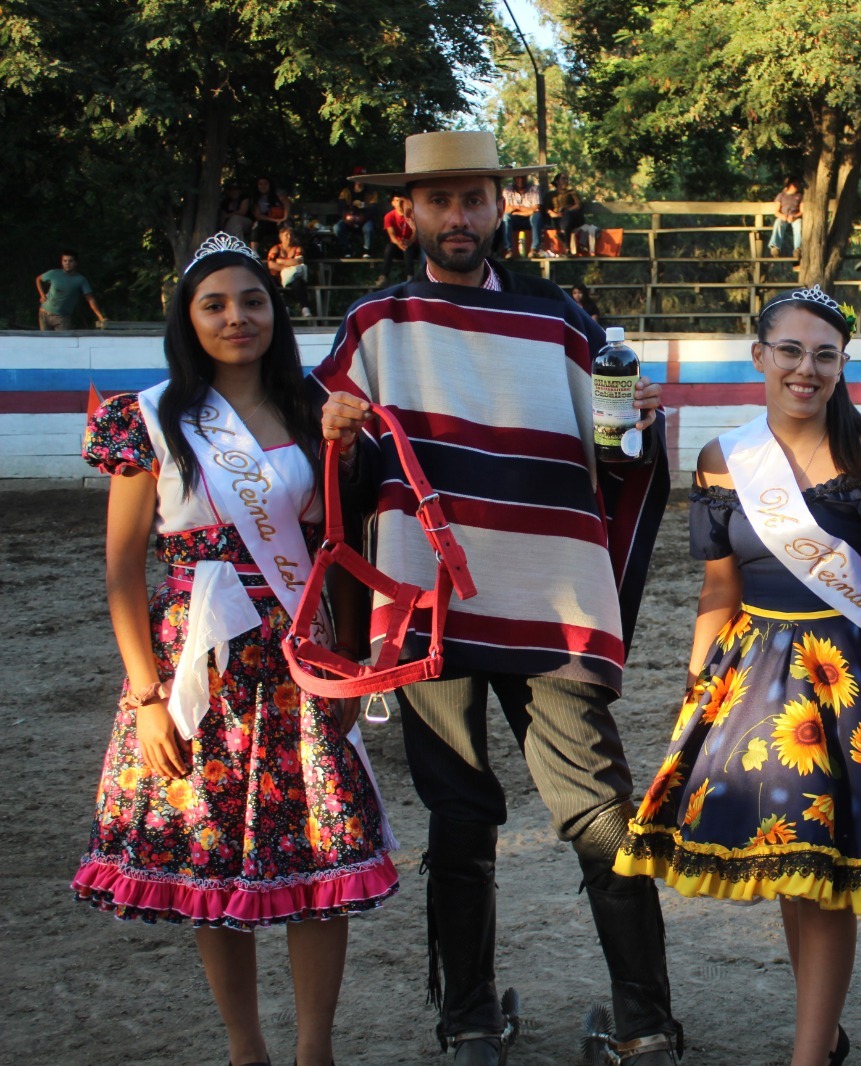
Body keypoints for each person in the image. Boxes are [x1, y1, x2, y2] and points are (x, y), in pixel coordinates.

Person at [314, 131, 682, 1066]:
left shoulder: (560, 319)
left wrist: (638, 431)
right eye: (440, 201)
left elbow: (616, 457)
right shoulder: (376, 324)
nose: (458, 217)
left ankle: (645, 1023)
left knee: (598, 807)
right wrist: (340, 434)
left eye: (474, 198)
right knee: (458, 810)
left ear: (499, 206)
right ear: (410, 212)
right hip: (427, 604)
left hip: (548, 598)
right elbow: (334, 474)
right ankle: (471, 1021)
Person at [614, 286, 861, 1066]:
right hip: (754, 680)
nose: (805, 369)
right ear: (760, 356)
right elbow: (718, 589)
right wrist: (695, 690)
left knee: (828, 873)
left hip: (848, 683)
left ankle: (809, 1053)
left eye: (824, 355)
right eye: (789, 351)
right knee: (793, 863)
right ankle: (824, 1039)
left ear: (842, 365)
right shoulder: (722, 460)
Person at [72, 231, 398, 1066]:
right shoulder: (150, 419)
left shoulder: (318, 412)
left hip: (299, 660)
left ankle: (315, 1050)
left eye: (253, 301)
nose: (236, 318)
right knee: (212, 854)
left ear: (275, 312)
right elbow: (121, 570)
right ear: (187, 318)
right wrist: (147, 697)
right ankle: (245, 1049)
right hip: (198, 666)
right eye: (214, 304)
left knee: (319, 854)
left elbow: (340, 548)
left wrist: (352, 663)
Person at [37, 249, 107, 329]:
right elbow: (38, 279)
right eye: (65, 261)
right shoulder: (54, 273)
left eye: (70, 261)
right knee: (44, 337)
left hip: (62, 318)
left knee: (64, 337)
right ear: (62, 262)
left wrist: (100, 316)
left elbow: (90, 299)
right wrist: (42, 294)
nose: (67, 263)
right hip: (44, 313)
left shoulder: (80, 280)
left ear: (76, 263)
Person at [267, 223, 311, 317]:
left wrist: (280, 261)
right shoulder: (275, 249)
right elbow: (271, 265)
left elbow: (298, 261)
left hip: (292, 277)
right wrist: (288, 267)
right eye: (286, 235)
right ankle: (283, 308)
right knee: (270, 283)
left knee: (299, 282)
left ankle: (305, 308)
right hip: (277, 277)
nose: (289, 237)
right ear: (281, 237)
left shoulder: (297, 249)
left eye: (291, 235)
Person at [335, 174, 381, 257]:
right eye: (357, 177)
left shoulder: (371, 192)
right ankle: (346, 250)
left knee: (369, 229)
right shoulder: (346, 191)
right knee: (337, 228)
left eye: (362, 177)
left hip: (364, 220)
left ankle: (367, 251)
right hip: (349, 219)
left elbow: (373, 209)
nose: (359, 180)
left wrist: (363, 217)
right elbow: (341, 207)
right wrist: (347, 216)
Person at [376, 194, 417, 287]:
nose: (400, 204)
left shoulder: (411, 215)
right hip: (397, 245)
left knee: (408, 248)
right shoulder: (389, 216)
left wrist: (409, 242)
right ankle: (384, 276)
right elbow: (392, 235)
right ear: (393, 203)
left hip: (412, 246)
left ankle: (410, 276)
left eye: (402, 201)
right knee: (389, 247)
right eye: (397, 201)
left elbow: (415, 231)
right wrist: (399, 243)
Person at [546, 172, 587, 256]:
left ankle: (564, 238)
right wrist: (553, 213)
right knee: (561, 220)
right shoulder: (551, 195)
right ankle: (567, 249)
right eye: (563, 179)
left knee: (567, 216)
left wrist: (567, 211)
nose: (566, 181)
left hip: (573, 217)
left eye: (567, 179)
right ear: (557, 181)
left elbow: (578, 205)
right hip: (558, 218)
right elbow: (546, 208)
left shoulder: (571, 192)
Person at [503, 174, 540, 259]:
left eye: (523, 178)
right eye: (518, 178)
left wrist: (516, 209)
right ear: (514, 179)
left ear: (526, 178)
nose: (520, 180)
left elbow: (536, 208)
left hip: (529, 219)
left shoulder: (534, 189)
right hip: (515, 220)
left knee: (537, 216)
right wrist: (527, 211)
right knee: (506, 217)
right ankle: (508, 250)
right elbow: (507, 208)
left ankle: (534, 250)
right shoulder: (508, 190)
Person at [249, 177, 290, 253]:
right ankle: (253, 252)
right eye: (260, 184)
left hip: (282, 218)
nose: (263, 186)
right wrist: (275, 220)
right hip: (267, 220)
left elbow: (287, 205)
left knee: (285, 227)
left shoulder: (278, 194)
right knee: (257, 227)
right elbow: (258, 215)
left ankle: (286, 251)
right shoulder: (256, 198)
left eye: (266, 183)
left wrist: (285, 217)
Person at [769, 176, 804, 258]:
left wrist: (795, 217)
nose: (797, 186)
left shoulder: (800, 196)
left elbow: (802, 211)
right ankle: (775, 247)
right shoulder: (781, 195)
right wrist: (782, 216)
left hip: (794, 217)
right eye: (795, 184)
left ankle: (798, 249)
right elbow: (776, 211)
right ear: (790, 185)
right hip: (783, 216)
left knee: (799, 225)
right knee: (778, 223)